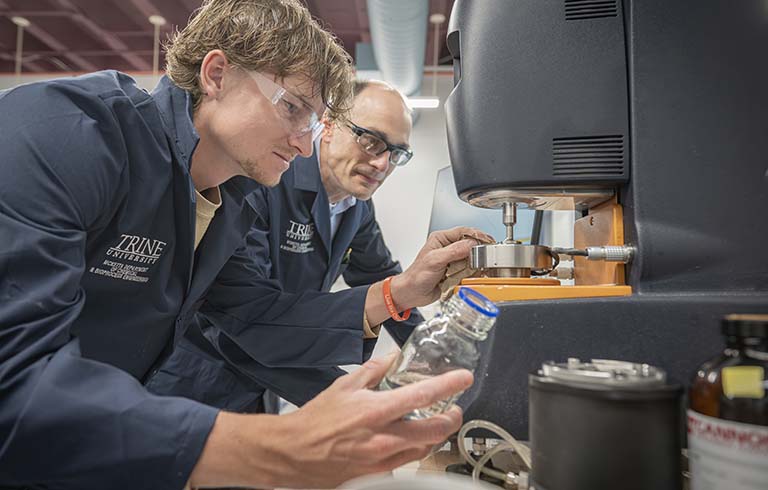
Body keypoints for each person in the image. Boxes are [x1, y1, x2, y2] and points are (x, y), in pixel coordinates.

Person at [0, 1, 482, 489]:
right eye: (292, 107)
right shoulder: (68, 132)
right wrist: (282, 446)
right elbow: (14, 384)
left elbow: (252, 316)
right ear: (216, 74)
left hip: (103, 438)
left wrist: (395, 298)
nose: (303, 143)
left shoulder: (232, 196)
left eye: (312, 122)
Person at [147, 79, 428, 411]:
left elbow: (382, 277)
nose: (383, 164)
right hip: (196, 384)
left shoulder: (357, 209)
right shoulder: (266, 184)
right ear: (329, 124)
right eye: (370, 141)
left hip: (262, 388)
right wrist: (356, 397)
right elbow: (241, 320)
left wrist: (438, 354)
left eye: (397, 153)